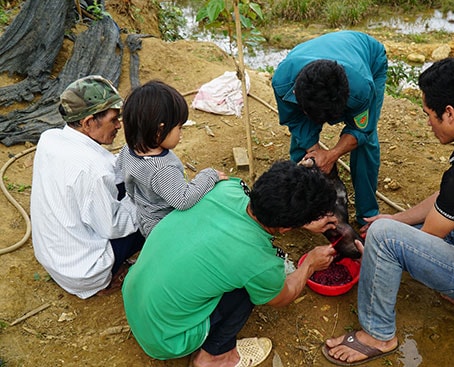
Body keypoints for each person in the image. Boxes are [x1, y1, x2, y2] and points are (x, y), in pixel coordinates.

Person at [322, 57, 454, 365]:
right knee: (388, 229)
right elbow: (445, 198)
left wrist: (375, 249)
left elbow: (425, 239)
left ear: (449, 113)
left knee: (382, 238)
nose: (428, 122)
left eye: (428, 114)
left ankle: (378, 336)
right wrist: (394, 218)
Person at [122, 160, 342, 367]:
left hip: (135, 299)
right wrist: (310, 264)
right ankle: (215, 357)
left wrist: (300, 216)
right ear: (285, 228)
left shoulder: (225, 189)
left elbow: (275, 198)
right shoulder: (259, 261)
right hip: (167, 339)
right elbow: (283, 296)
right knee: (250, 288)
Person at [31, 75, 144, 299]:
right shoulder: (92, 170)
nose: (119, 125)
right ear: (88, 122)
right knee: (153, 214)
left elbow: (109, 170)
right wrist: (143, 200)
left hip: (52, 255)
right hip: (83, 270)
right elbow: (112, 227)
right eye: (113, 119)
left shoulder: (50, 138)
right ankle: (108, 277)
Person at [271, 30, 388, 225]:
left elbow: (361, 130)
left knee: (365, 144)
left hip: (369, 57)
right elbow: (296, 120)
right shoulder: (283, 82)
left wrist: (332, 155)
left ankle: (367, 215)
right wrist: (314, 152)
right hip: (313, 65)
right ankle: (299, 205)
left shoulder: (361, 88)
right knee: (302, 141)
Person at [116, 80, 227, 237]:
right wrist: (209, 175)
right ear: (159, 130)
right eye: (179, 128)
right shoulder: (162, 169)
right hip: (167, 227)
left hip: (146, 217)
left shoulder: (128, 150)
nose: (181, 134)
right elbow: (183, 200)